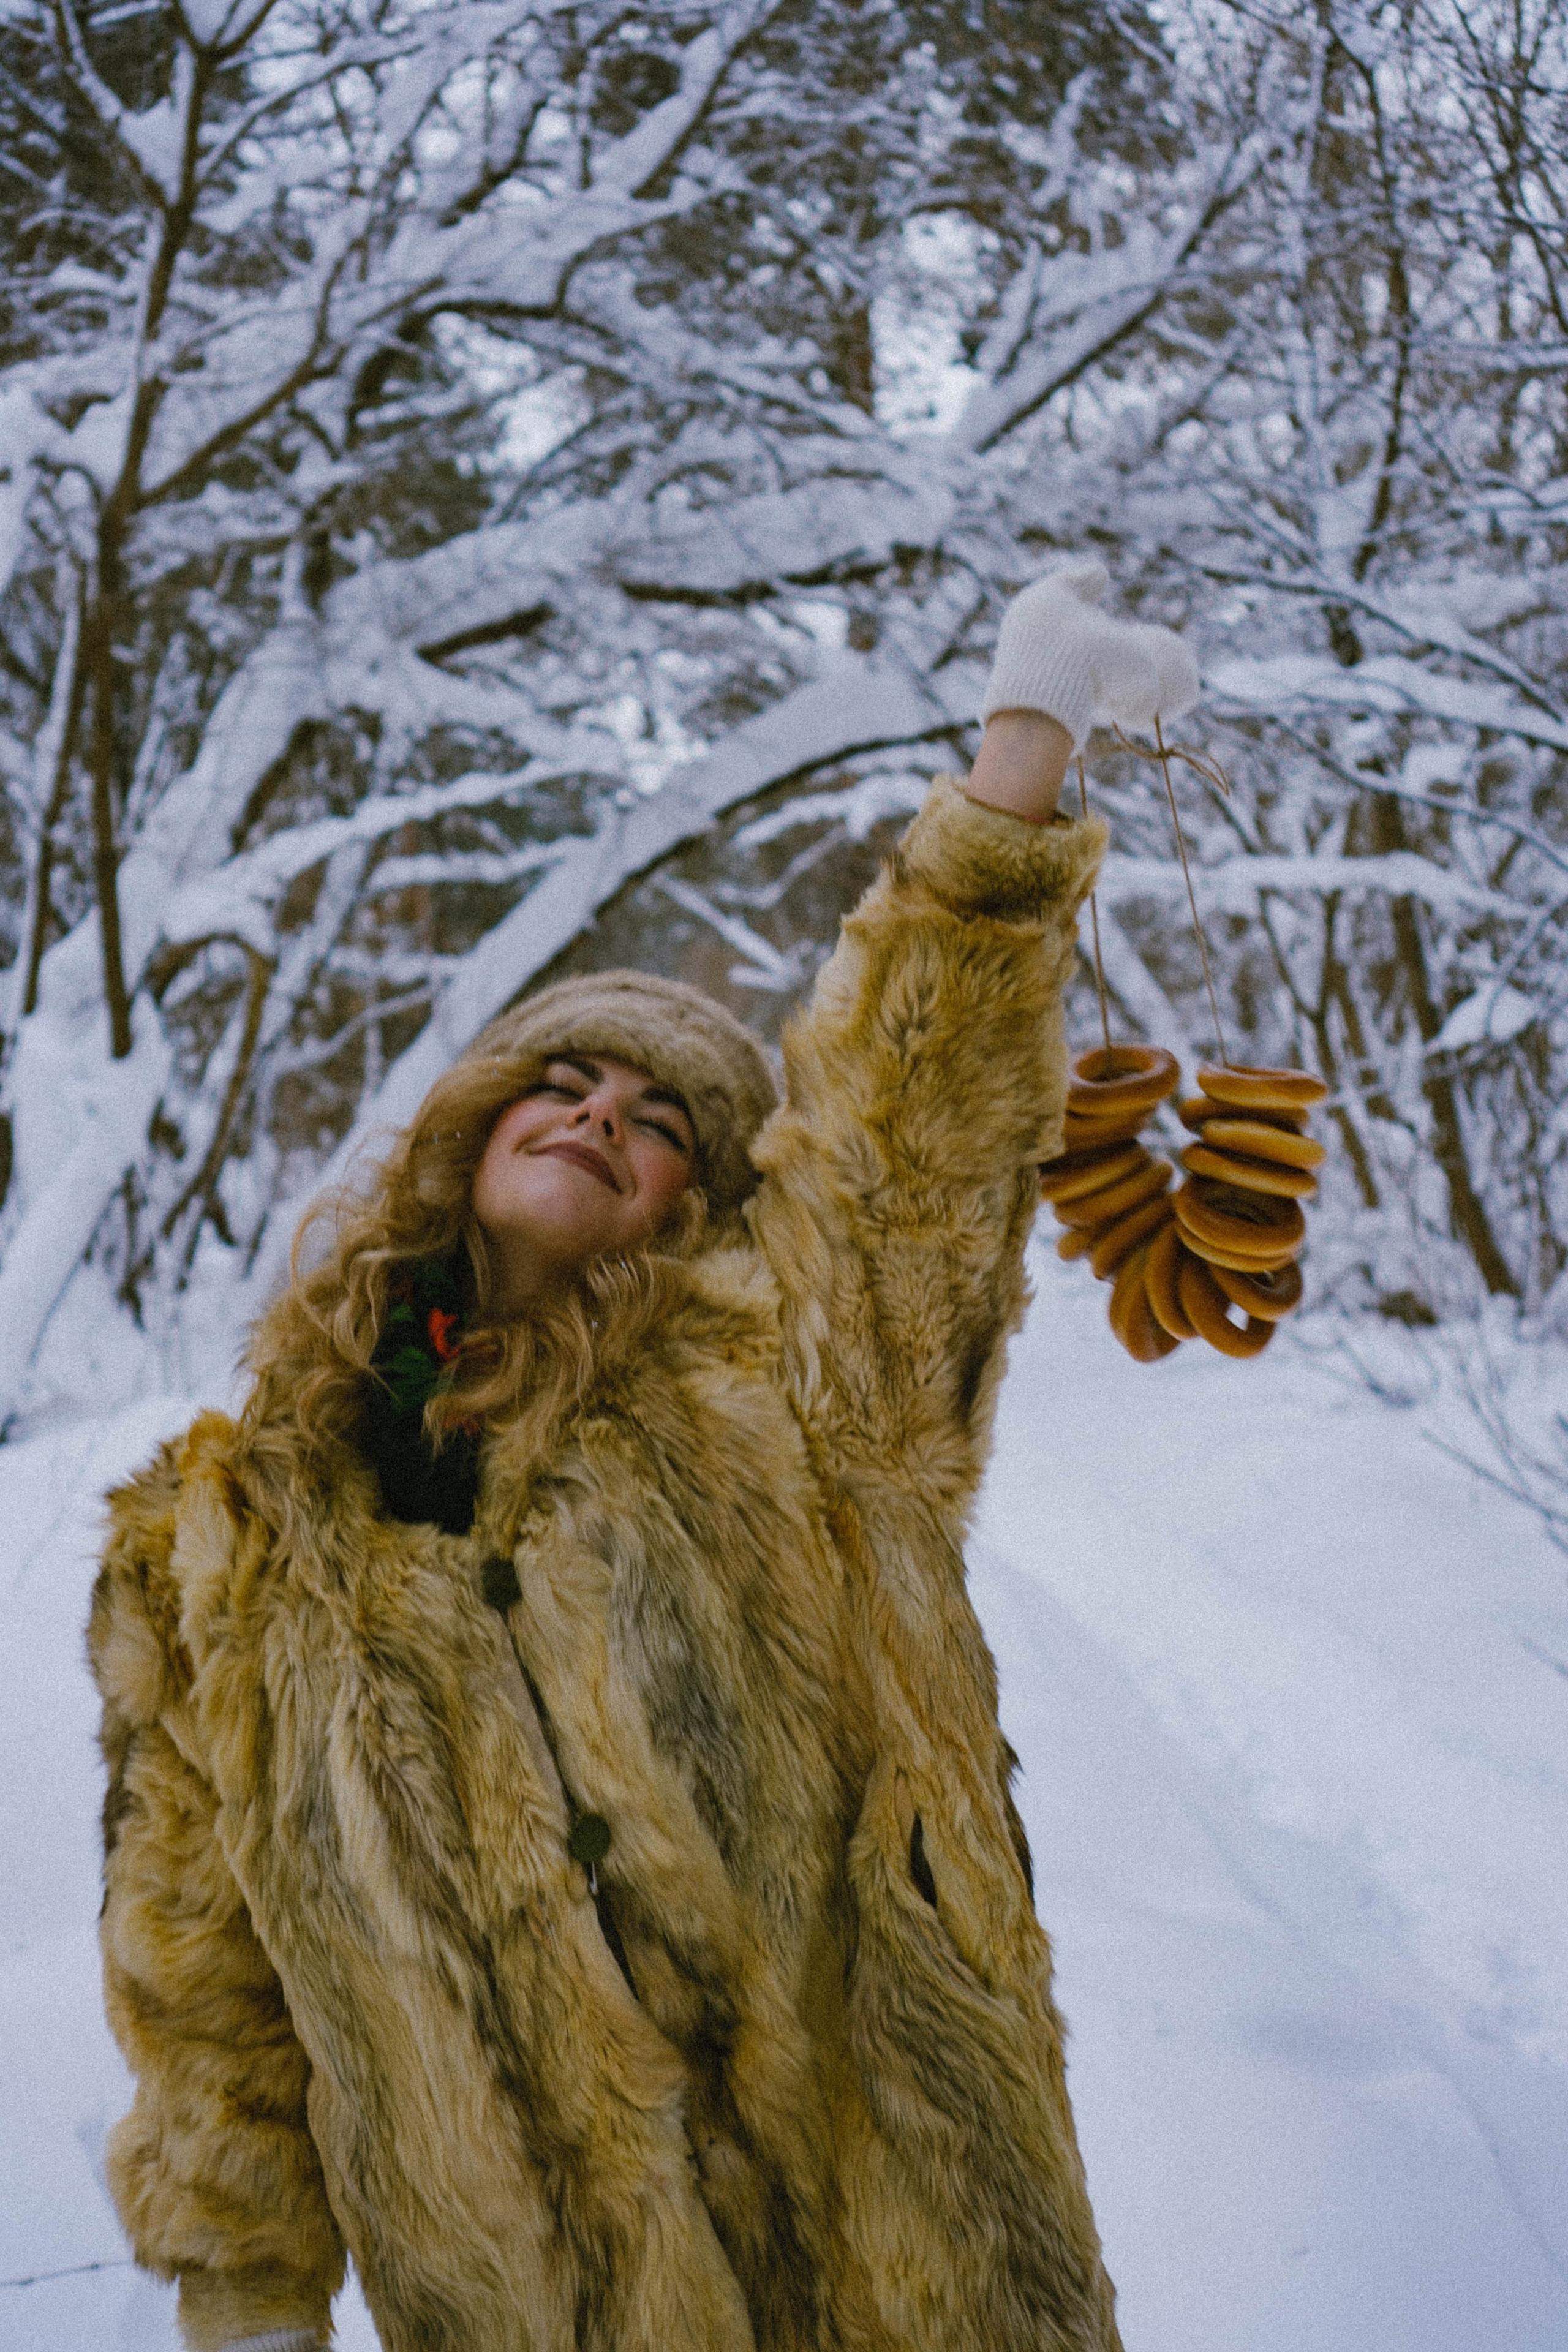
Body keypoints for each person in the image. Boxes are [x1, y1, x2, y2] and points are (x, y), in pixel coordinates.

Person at [89, 563, 1198, 2352]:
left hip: (891, 2248)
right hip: (533, 2302)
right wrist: (248, 2294)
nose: (607, 1114)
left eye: (668, 1120)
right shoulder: (214, 1536)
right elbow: (199, 1970)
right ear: (471, 1130)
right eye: (568, 1082)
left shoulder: (791, 1390)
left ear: (701, 1202)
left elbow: (910, 1162)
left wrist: (1019, 762)